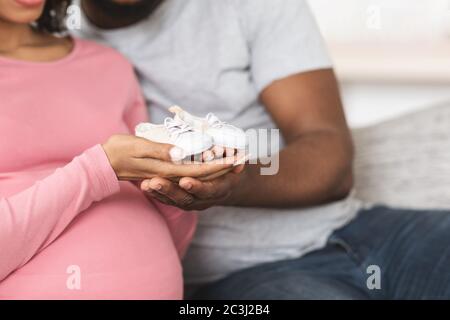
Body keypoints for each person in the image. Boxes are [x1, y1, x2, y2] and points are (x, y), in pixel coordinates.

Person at [77, 0, 450, 299]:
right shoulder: (46, 47)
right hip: (244, 277)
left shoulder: (252, 7)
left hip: (363, 230)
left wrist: (233, 181)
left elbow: (329, 156)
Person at [0, 0, 233, 299]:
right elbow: (104, 167)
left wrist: (180, 185)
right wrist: (100, 169)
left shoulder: (109, 63)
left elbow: (168, 217)